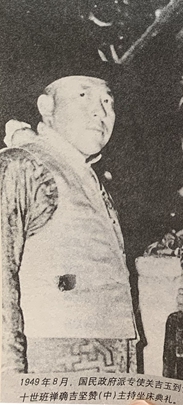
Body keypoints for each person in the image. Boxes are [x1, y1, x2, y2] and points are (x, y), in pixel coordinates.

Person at [0, 75, 137, 376]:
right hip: (49, 366)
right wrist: (9, 381)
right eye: (83, 96)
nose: (100, 111)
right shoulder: (21, 165)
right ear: (46, 106)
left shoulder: (87, 176)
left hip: (112, 365)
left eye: (107, 100)